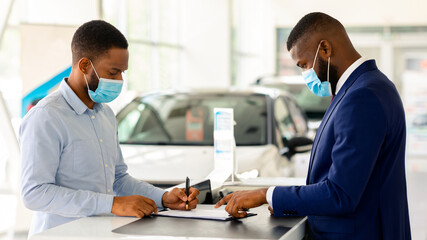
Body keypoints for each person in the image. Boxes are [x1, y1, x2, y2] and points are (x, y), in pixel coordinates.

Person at [215, 12, 411, 239]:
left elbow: (340, 193)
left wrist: (266, 194)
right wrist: (288, 202)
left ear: (325, 49)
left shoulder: (362, 96)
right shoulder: (367, 86)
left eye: (304, 64)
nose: (305, 74)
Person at [19, 20, 199, 236]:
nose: (119, 80)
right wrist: (112, 204)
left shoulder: (105, 114)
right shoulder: (46, 117)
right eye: (113, 72)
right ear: (85, 65)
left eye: (123, 72)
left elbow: (117, 179)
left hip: (103, 233)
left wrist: (163, 197)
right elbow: (35, 193)